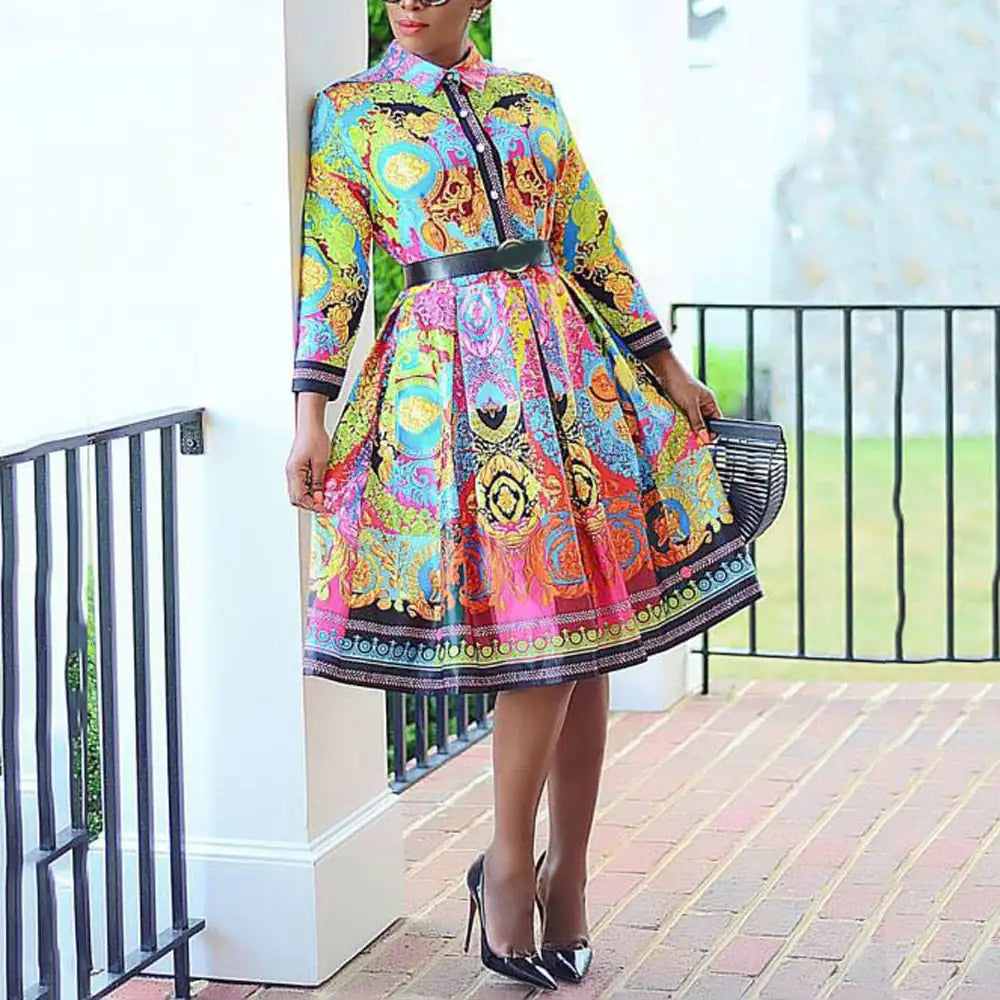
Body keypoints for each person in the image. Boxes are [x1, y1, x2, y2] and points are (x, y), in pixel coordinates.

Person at [285, 0, 763, 990]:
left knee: (587, 641)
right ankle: (509, 868)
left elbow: (590, 236)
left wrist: (669, 369)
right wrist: (310, 412)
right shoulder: (352, 110)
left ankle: (567, 873)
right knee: (546, 630)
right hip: (449, 391)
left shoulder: (530, 98)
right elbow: (330, 267)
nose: (410, 1)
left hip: (568, 378)